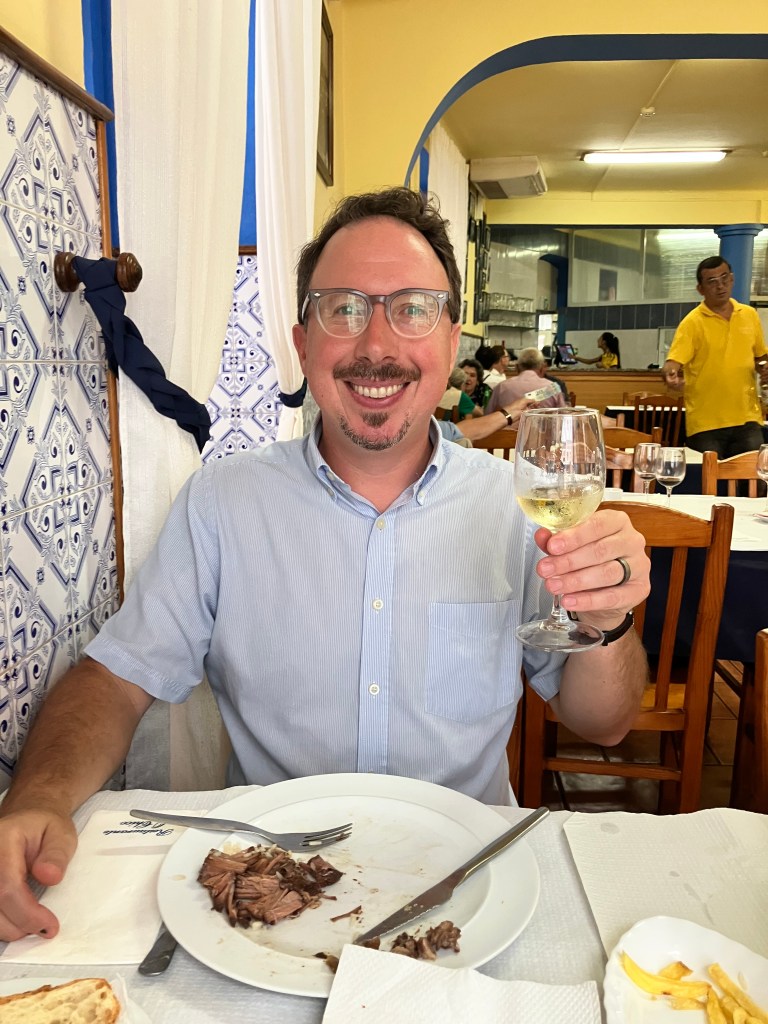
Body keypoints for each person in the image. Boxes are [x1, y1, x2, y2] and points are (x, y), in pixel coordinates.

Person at [0, 186, 649, 943]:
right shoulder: (221, 502)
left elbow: (604, 724)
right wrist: (38, 797)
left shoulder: (516, 507)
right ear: (303, 342)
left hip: (471, 889)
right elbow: (114, 679)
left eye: (412, 308)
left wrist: (608, 622)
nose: (376, 344)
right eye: (342, 308)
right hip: (273, 900)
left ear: (450, 342)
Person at [663, 256, 768, 457]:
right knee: (707, 477)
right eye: (712, 282)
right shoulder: (692, 322)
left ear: (732, 279)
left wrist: (764, 368)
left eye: (724, 278)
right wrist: (670, 374)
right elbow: (672, 363)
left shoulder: (749, 315)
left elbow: (760, 357)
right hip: (705, 423)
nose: (720, 286)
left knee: (752, 476)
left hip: (747, 419)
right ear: (700, 289)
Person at [485, 347, 565, 413]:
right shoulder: (552, 388)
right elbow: (563, 417)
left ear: (517, 367)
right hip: (542, 428)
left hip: (507, 427)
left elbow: (488, 416)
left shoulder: (501, 387)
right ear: (541, 368)